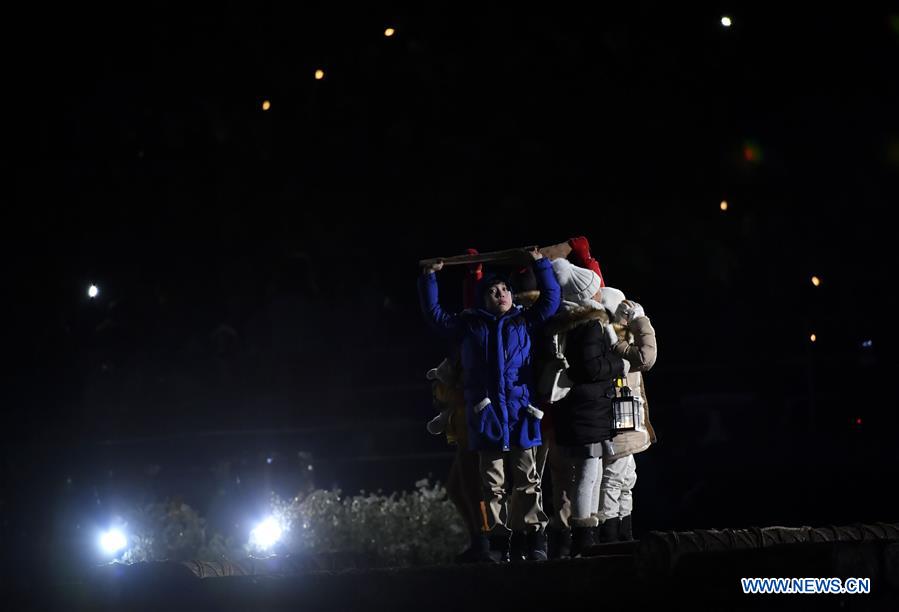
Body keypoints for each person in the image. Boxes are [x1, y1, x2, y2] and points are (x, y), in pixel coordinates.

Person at [418, 248, 560, 562]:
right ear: (483, 299)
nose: (501, 294)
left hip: (521, 413)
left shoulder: (524, 320)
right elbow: (435, 315)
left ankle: (534, 539)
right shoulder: (470, 325)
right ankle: (499, 542)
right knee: (491, 485)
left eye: (505, 289)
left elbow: (551, 302)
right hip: (488, 416)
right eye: (493, 291)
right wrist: (429, 277)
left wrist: (541, 265)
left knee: (527, 480)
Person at [594, 287, 658, 542]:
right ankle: (610, 536)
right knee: (613, 478)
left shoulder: (620, 341)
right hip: (616, 417)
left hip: (626, 415)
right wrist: (641, 321)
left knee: (626, 478)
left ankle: (623, 534)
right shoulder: (611, 342)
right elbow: (647, 356)